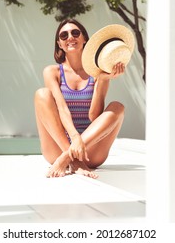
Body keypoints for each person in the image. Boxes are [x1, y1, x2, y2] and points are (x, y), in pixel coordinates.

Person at [34, 18, 126, 179]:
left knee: (117, 107)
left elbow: (94, 117)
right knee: (42, 94)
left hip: (89, 151)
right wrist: (74, 138)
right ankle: (73, 160)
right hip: (58, 148)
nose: (70, 37)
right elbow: (62, 108)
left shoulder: (98, 73)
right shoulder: (52, 72)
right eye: (64, 35)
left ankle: (68, 158)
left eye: (75, 33)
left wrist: (103, 80)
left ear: (84, 39)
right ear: (60, 44)